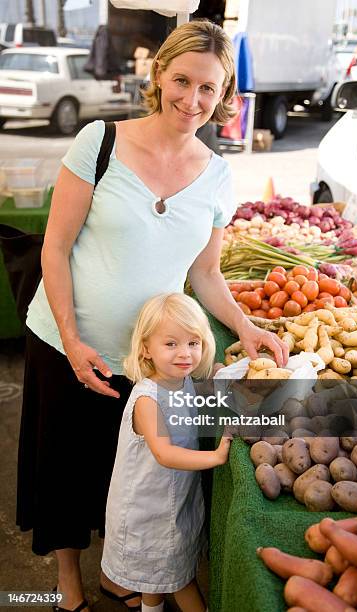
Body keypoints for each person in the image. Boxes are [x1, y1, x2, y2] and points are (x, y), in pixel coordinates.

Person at [16, 19, 289, 612]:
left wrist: (246, 327)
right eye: (182, 80)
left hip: (148, 357)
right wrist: (70, 336)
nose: (191, 99)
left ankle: (122, 569)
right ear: (159, 73)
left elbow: (206, 274)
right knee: (64, 463)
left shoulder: (217, 174)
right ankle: (67, 581)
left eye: (208, 89)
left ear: (224, 98)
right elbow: (54, 247)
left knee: (130, 472)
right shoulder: (100, 142)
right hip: (67, 337)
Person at [101, 293, 230, 612]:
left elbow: (202, 387)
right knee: (179, 579)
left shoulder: (182, 379)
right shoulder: (148, 400)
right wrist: (215, 457)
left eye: (193, 343)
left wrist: (219, 373)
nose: (185, 354)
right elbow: (164, 453)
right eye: (171, 344)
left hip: (171, 500)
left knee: (156, 581)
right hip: (148, 511)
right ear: (146, 348)